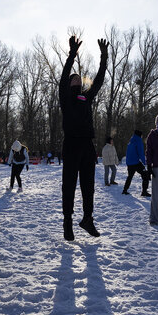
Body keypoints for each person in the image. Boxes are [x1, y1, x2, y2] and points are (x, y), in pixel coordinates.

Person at [59, 36, 108, 241]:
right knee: (69, 184)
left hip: (87, 145)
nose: (77, 79)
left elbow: (98, 81)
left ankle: (87, 219)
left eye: (79, 78)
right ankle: (68, 223)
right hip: (71, 144)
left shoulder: (86, 97)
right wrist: (72, 55)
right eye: (74, 78)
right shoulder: (65, 97)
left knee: (89, 185)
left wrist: (104, 57)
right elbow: (63, 77)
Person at [121, 130, 151, 197]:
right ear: (140, 135)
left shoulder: (131, 141)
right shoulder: (138, 141)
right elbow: (140, 153)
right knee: (145, 175)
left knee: (130, 176)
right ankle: (144, 191)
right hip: (136, 163)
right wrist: (145, 162)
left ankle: (125, 190)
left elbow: (128, 153)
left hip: (129, 163)